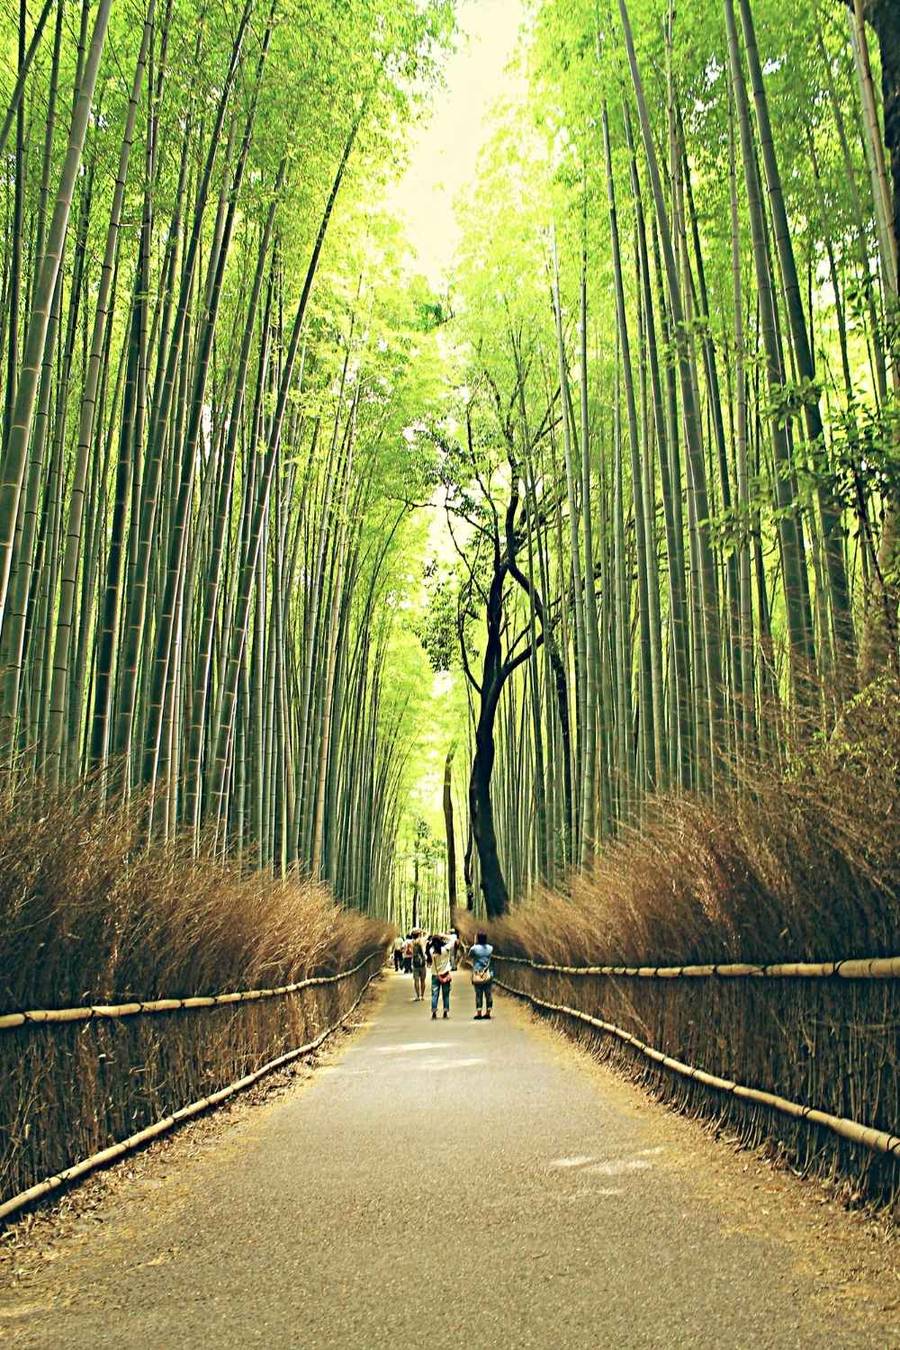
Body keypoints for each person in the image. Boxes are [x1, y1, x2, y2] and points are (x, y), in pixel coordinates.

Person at [469, 931, 494, 1020]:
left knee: (478, 994)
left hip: (477, 973)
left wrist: (475, 944)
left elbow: (470, 955)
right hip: (488, 973)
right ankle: (488, 1012)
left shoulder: (474, 948)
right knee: (488, 994)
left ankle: (479, 1013)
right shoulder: (490, 948)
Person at [427, 934, 452, 1019]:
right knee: (446, 994)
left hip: (435, 975)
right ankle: (445, 1012)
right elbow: (452, 940)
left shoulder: (431, 951)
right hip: (445, 974)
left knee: (434, 995)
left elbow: (428, 946)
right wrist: (444, 936)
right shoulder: (446, 949)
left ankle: (434, 1012)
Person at [411, 928, 427, 1000]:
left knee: (416, 980)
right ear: (419, 934)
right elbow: (427, 934)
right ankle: (422, 996)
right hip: (422, 962)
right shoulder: (422, 941)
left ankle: (417, 996)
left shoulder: (412, 942)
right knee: (423, 980)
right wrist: (422, 931)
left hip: (415, 962)